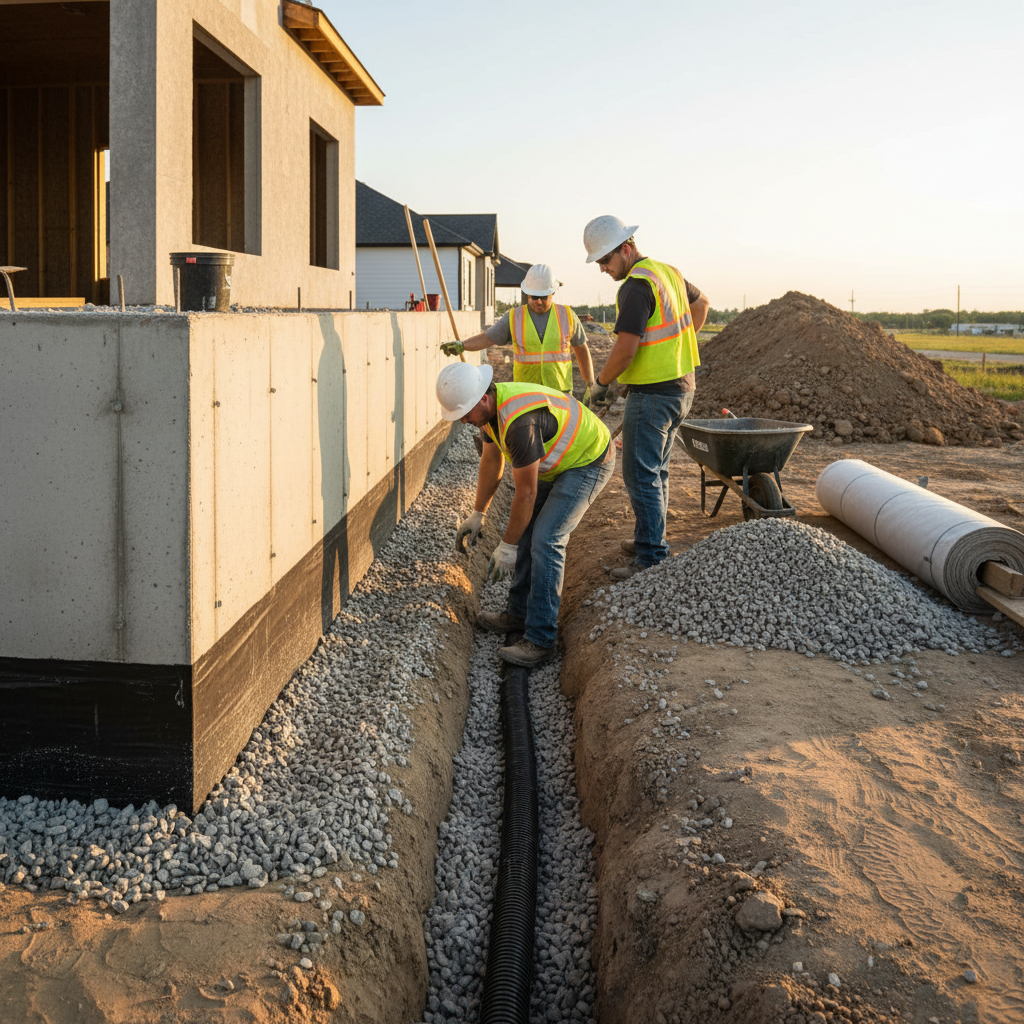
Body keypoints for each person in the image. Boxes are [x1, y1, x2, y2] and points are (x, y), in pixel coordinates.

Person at [436, 361, 614, 666]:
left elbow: (526, 493)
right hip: (558, 461)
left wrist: (507, 547)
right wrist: (478, 513)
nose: (463, 421)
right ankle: (518, 615)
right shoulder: (491, 412)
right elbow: (492, 463)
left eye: (464, 414)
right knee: (527, 533)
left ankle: (541, 639)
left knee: (546, 539)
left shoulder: (518, 423)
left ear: (482, 398)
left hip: (587, 461)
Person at [582, 215, 709, 580]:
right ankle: (648, 540)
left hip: (654, 395)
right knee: (657, 472)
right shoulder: (666, 272)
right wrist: (676, 347)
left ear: (626, 248)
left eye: (605, 261)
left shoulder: (636, 286)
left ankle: (652, 557)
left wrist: (602, 383)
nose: (603, 269)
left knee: (640, 475)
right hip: (681, 387)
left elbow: (625, 348)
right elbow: (702, 306)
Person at [440, 264, 596, 397]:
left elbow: (581, 349)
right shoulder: (514, 317)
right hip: (526, 394)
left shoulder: (567, 315)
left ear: (553, 292)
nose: (539, 301)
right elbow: (487, 338)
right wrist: (463, 345)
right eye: (534, 297)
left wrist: (590, 384)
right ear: (527, 293)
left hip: (559, 395)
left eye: (544, 297)